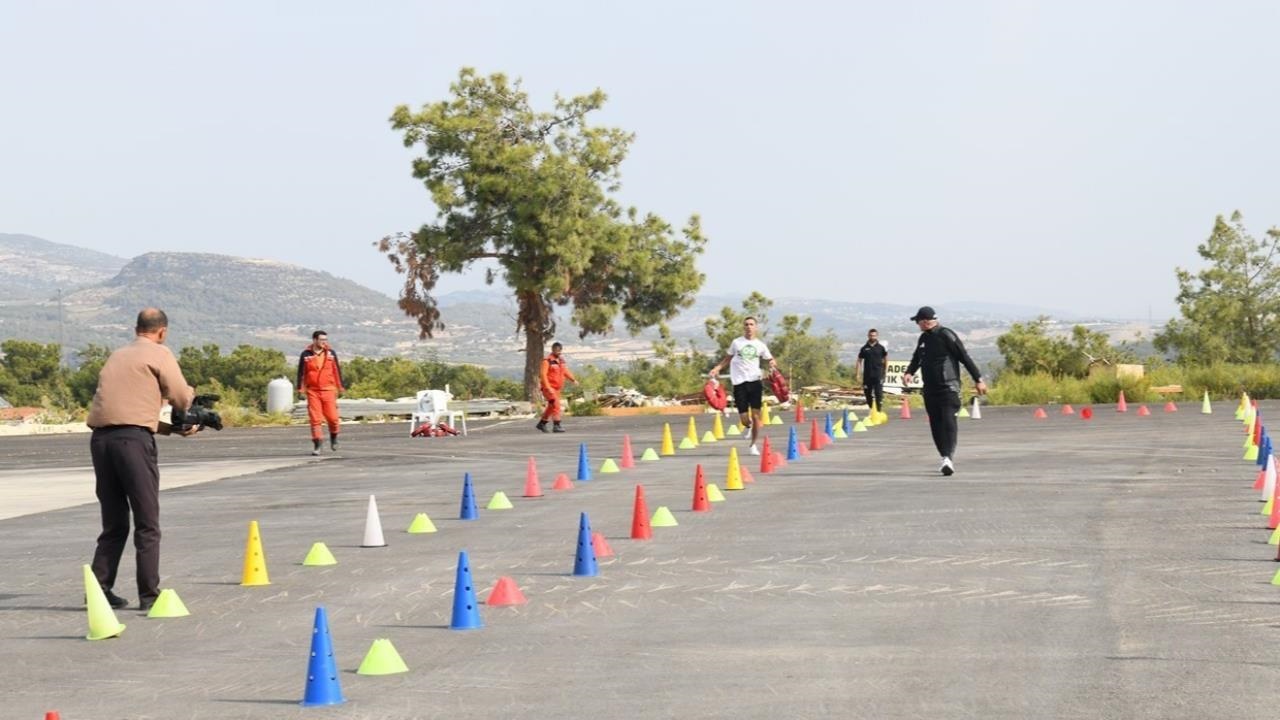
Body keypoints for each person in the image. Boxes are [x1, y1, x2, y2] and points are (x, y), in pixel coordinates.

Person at [86, 308, 198, 612]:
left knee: (115, 521)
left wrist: (170, 430)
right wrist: (189, 401)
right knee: (147, 521)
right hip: (132, 444)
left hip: (101, 442)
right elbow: (180, 397)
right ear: (162, 331)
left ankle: (99, 589)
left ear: (137, 328)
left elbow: (126, 414)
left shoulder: (117, 355)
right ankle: (149, 594)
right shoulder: (159, 353)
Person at [901, 306, 987, 476]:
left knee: (948, 420)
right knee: (935, 423)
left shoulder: (946, 334)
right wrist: (909, 372)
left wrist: (978, 379)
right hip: (930, 389)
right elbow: (917, 358)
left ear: (925, 321)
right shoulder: (923, 338)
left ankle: (948, 457)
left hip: (949, 387)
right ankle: (944, 457)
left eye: (918, 321)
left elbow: (964, 357)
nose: (917, 324)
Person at [708, 316, 779, 456]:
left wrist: (772, 362)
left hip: (755, 382)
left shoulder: (760, 345)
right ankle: (748, 425)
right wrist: (717, 368)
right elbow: (727, 359)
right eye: (746, 324)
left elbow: (770, 358)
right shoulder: (736, 343)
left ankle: (753, 445)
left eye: (751, 324)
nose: (749, 327)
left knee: (756, 416)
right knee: (744, 418)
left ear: (756, 327)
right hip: (739, 382)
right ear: (743, 327)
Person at [297, 330, 344, 456]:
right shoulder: (306, 354)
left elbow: (336, 371)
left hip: (329, 390)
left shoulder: (331, 354)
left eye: (325, 340)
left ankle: (334, 437)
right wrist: (300, 389)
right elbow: (301, 373)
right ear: (314, 340)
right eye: (321, 339)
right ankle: (317, 444)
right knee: (315, 419)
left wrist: (340, 387)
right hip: (313, 391)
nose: (324, 342)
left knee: (333, 418)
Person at [537, 342, 577, 433]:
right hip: (549, 388)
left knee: (551, 406)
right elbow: (543, 375)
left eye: (559, 350)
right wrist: (548, 387)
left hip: (557, 389)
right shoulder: (547, 361)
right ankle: (557, 425)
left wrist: (573, 380)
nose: (558, 352)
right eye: (556, 350)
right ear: (552, 350)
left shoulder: (561, 361)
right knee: (556, 404)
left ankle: (542, 423)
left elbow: (565, 371)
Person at [855, 328, 889, 413]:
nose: (872, 337)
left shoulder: (881, 348)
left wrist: (885, 372)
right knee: (867, 394)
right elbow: (859, 361)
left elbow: (886, 359)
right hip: (867, 375)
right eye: (871, 335)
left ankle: (878, 411)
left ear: (877, 336)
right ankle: (872, 409)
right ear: (868, 336)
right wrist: (857, 374)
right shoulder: (864, 348)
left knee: (878, 394)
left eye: (874, 335)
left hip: (878, 374)